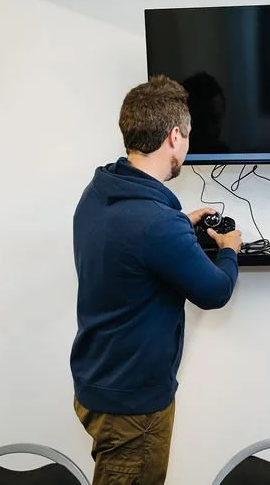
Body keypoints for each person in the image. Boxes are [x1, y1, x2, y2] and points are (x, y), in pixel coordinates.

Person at [70, 75, 243, 485]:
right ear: (174, 136)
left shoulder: (99, 193)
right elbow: (215, 292)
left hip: (98, 381)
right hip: (134, 405)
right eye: (188, 136)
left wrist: (180, 225)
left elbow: (130, 244)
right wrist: (231, 248)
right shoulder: (156, 224)